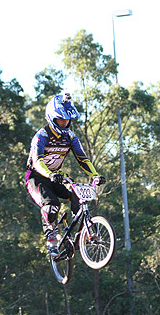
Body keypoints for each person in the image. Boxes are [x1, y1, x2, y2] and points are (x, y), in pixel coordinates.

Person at [25, 93, 105, 255]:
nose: (65, 123)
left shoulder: (70, 137)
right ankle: (51, 238)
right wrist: (49, 174)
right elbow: (38, 161)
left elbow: (82, 158)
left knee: (79, 195)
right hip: (36, 177)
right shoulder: (41, 136)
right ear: (52, 119)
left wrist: (95, 175)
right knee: (52, 204)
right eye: (61, 120)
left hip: (56, 176)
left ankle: (80, 233)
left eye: (67, 120)